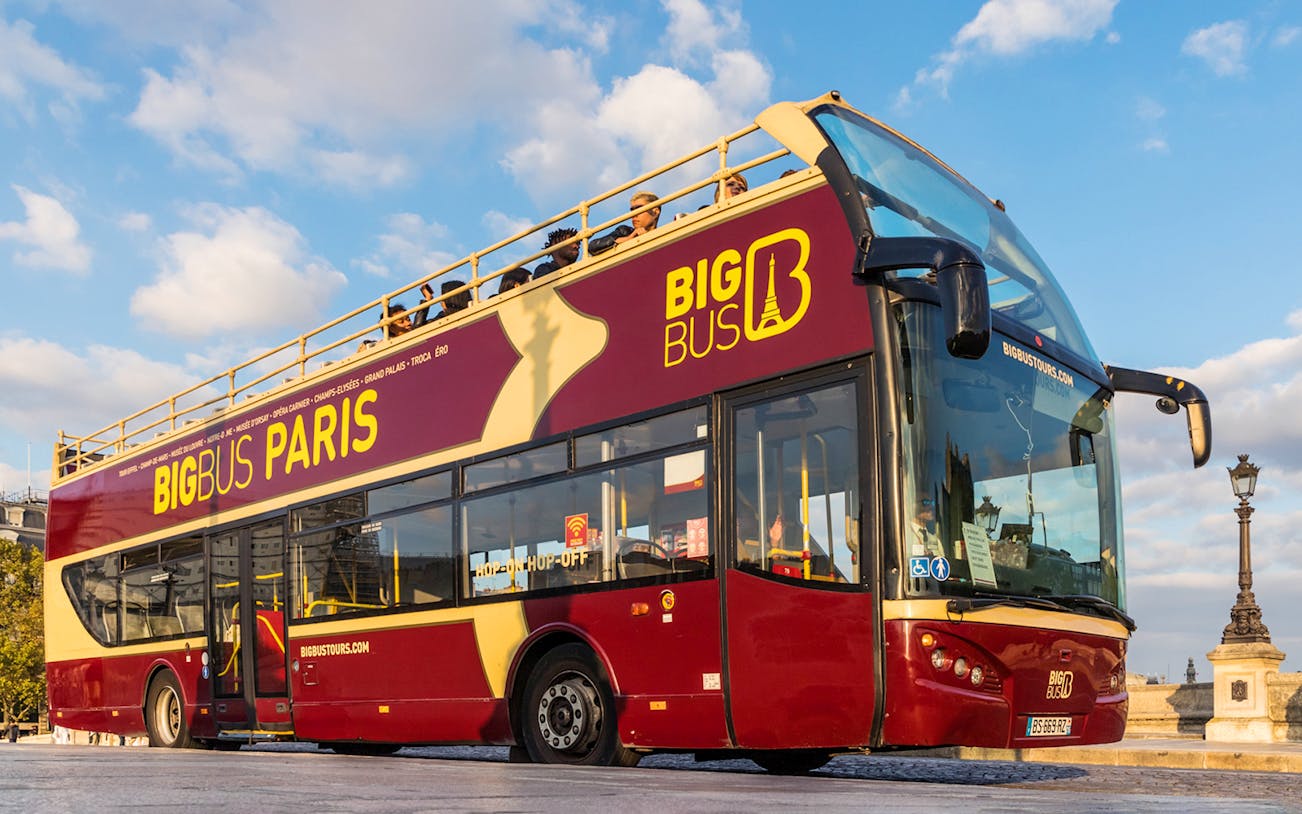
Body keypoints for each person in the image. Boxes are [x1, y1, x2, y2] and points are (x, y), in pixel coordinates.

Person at [590, 191, 659, 254]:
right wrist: (628, 239)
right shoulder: (625, 231)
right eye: (632, 211)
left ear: (655, 212)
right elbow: (592, 246)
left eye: (639, 209)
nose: (634, 215)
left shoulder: (665, 236)